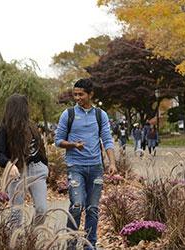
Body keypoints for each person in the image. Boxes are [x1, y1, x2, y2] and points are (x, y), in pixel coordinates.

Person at [55, 78, 116, 250]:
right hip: (75, 166)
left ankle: (90, 245)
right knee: (77, 205)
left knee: (92, 209)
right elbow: (58, 141)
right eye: (75, 94)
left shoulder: (100, 115)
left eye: (81, 94)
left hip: (96, 167)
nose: (77, 98)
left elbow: (107, 140)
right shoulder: (68, 114)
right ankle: (71, 244)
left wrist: (112, 163)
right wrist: (73, 145)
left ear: (91, 94)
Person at [0, 94, 48, 226]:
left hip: (37, 170)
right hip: (17, 171)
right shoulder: (4, 129)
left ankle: (32, 236)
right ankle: (17, 242)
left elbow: (40, 148)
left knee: (42, 209)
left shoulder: (31, 126)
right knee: (16, 214)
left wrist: (45, 165)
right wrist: (9, 165)